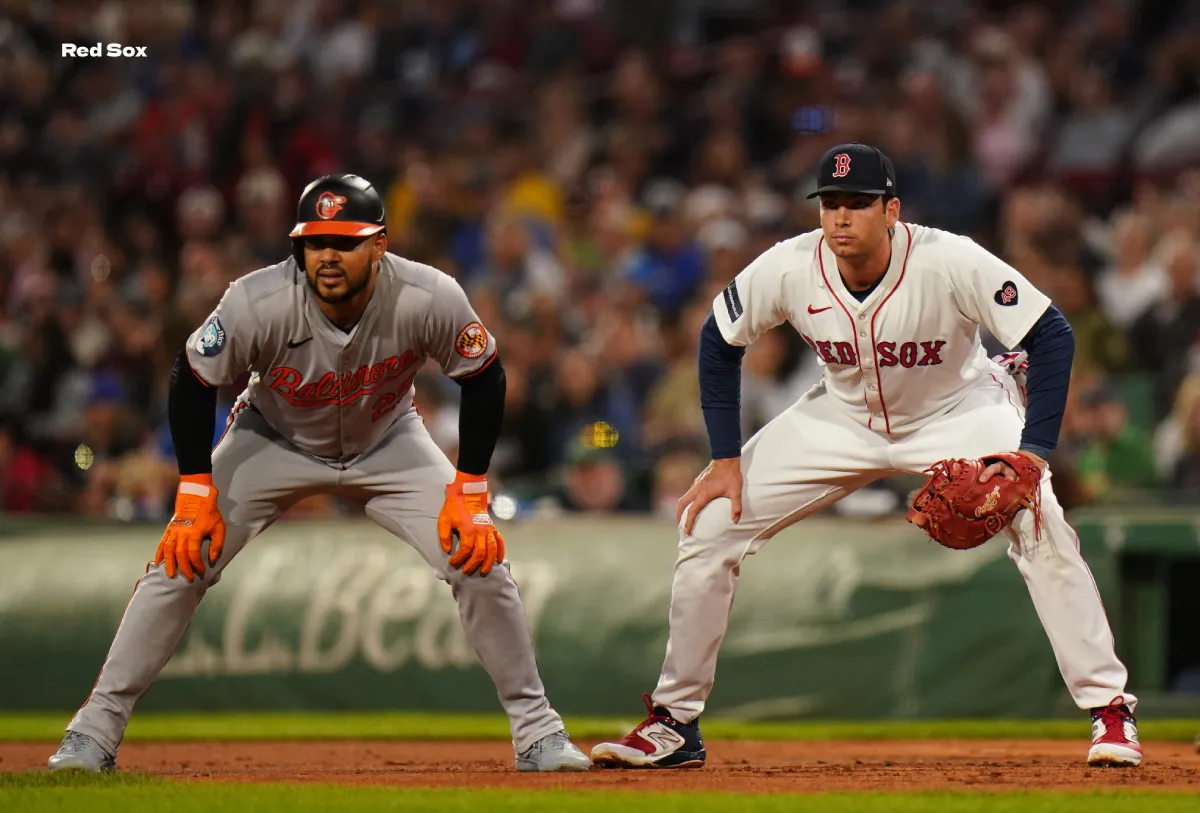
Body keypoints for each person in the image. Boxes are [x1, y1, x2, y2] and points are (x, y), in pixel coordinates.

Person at [590, 144, 1142, 770]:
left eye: (858, 204)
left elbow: (1052, 333)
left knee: (1036, 512)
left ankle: (1110, 710)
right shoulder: (790, 266)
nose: (841, 217)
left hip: (958, 410)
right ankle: (674, 723)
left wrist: (1035, 453)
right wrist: (723, 459)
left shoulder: (948, 259)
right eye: (830, 204)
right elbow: (719, 339)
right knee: (712, 521)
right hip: (841, 418)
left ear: (891, 210)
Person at [47, 174, 590, 774]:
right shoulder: (257, 299)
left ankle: (538, 733)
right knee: (180, 557)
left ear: (379, 245)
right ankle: (92, 732)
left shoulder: (426, 294)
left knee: (478, 556)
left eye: (345, 241)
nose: (327, 255)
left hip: (389, 439)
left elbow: (483, 374)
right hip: (271, 437)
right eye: (314, 241)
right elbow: (193, 377)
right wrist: (195, 488)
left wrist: (472, 489)